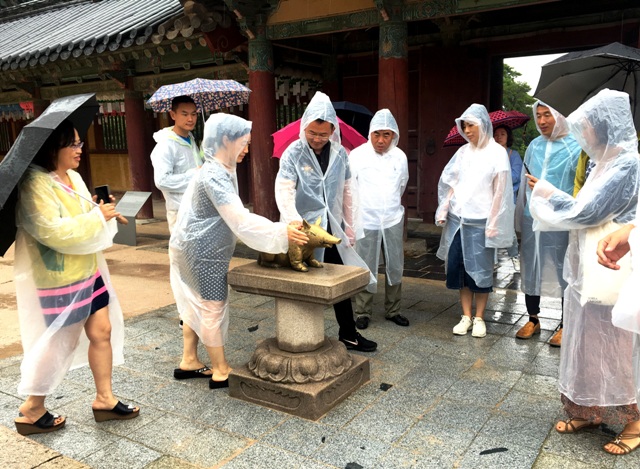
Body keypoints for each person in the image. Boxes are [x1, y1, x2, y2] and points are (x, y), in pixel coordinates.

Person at [528, 89, 640, 455]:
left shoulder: (627, 165)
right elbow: (584, 206)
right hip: (585, 264)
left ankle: (633, 419)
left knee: (616, 343)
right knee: (587, 337)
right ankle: (589, 408)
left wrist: (547, 192)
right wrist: (555, 196)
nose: (583, 133)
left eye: (587, 126)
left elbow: (587, 213)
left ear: (605, 126)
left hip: (611, 266)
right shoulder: (600, 163)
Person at [13, 119, 139, 436]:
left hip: (87, 269)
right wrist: (97, 217)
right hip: (59, 278)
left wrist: (103, 211)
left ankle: (104, 398)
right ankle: (32, 406)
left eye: (81, 144)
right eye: (74, 144)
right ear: (54, 147)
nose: (80, 150)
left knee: (102, 330)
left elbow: (84, 215)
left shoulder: (73, 177)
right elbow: (52, 231)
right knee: (59, 342)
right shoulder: (35, 184)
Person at [169, 113, 308, 389]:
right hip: (203, 255)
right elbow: (239, 219)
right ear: (225, 140)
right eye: (243, 143)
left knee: (194, 305)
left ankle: (189, 360)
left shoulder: (217, 169)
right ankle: (220, 370)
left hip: (195, 249)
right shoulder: (214, 175)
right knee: (211, 308)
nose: (246, 149)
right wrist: (281, 232)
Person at [275, 91, 377, 352]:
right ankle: (301, 333)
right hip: (303, 229)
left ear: (332, 129)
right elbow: (284, 190)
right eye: (312, 133)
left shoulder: (340, 154)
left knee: (338, 281)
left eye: (324, 134)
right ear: (304, 126)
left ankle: (348, 333)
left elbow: (348, 191)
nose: (318, 139)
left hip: (331, 228)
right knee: (303, 280)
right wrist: (294, 222)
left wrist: (351, 227)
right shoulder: (293, 154)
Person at [435, 104, 515, 338]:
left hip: (481, 221)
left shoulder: (497, 152)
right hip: (458, 220)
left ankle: (480, 317)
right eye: (464, 126)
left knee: (480, 270)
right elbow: (452, 182)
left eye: (471, 125)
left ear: (482, 125)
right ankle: (466, 315)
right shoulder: (462, 152)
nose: (467, 130)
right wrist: (444, 206)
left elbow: (501, 191)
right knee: (459, 269)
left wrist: (494, 221)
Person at [515, 102, 581, 347]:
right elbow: (525, 182)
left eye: (548, 115)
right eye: (538, 116)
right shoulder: (534, 145)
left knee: (566, 269)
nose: (541, 121)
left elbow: (578, 186)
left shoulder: (576, 146)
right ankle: (533, 318)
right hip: (534, 217)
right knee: (531, 266)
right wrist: (520, 215)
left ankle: (566, 323)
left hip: (562, 219)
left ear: (560, 116)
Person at [349, 109, 409, 330]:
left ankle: (394, 310)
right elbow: (350, 188)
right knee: (365, 266)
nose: (381, 140)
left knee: (395, 264)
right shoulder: (357, 155)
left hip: (392, 218)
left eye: (386, 135)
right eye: (377, 134)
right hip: (366, 218)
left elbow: (402, 184)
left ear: (393, 135)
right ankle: (363, 311)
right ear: (370, 133)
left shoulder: (400, 157)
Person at [150, 95, 202, 232]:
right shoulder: (166, 145)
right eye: (184, 114)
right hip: (180, 211)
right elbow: (162, 181)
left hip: (198, 206)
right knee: (185, 251)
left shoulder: (190, 138)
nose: (190, 119)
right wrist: (194, 175)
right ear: (173, 115)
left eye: (194, 114)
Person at [493, 124, 523, 270]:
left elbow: (516, 176)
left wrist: (499, 174)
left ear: (508, 137)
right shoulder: (489, 155)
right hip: (490, 198)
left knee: (509, 230)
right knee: (489, 229)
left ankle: (514, 255)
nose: (499, 137)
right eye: (496, 134)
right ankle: (491, 260)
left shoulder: (513, 155)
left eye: (502, 134)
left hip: (507, 199)